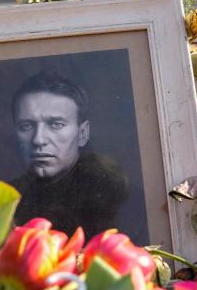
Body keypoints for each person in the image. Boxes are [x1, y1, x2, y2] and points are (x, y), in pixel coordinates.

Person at [9, 72, 128, 239]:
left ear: (82, 133)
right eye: (27, 126)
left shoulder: (120, 199)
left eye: (56, 124)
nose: (38, 139)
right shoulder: (1, 203)